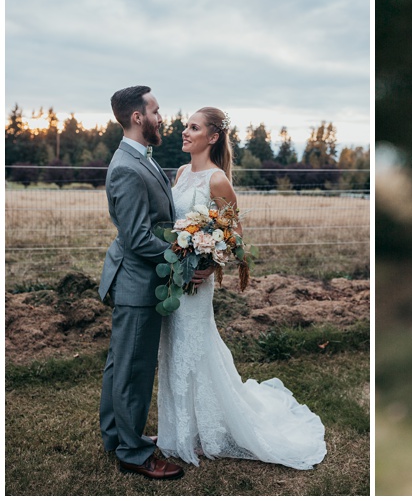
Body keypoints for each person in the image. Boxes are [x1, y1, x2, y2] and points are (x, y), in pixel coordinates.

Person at [155, 107, 327, 470]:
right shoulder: (182, 172)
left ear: (212, 137)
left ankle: (206, 432)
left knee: (194, 347)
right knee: (174, 348)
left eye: (193, 127)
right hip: (176, 277)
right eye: (186, 126)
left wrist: (208, 264)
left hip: (197, 283)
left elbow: (235, 238)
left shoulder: (217, 181)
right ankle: (177, 429)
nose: (184, 132)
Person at [99, 85, 207, 480]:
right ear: (138, 117)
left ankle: (115, 435)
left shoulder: (139, 157)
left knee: (120, 366)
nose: (163, 118)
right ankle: (133, 453)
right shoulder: (127, 166)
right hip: (137, 283)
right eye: (156, 111)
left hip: (138, 279)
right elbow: (138, 238)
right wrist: (186, 256)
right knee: (134, 370)